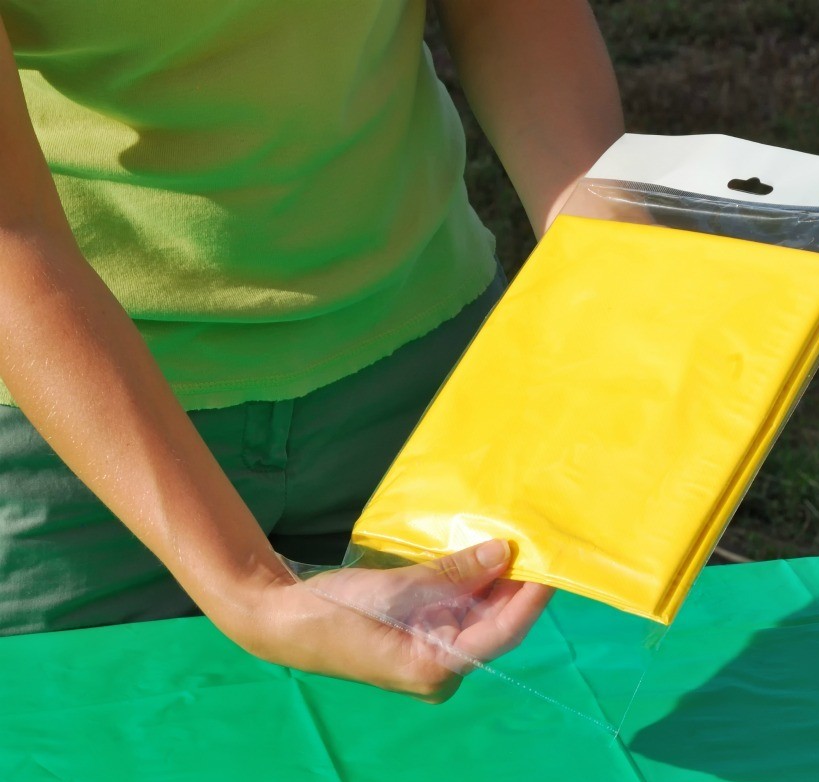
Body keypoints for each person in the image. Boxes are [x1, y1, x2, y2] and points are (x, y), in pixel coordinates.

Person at [0, 0, 623, 702]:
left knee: (486, 750)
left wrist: (601, 248)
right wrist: (250, 590)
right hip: (73, 437)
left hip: (423, 368)